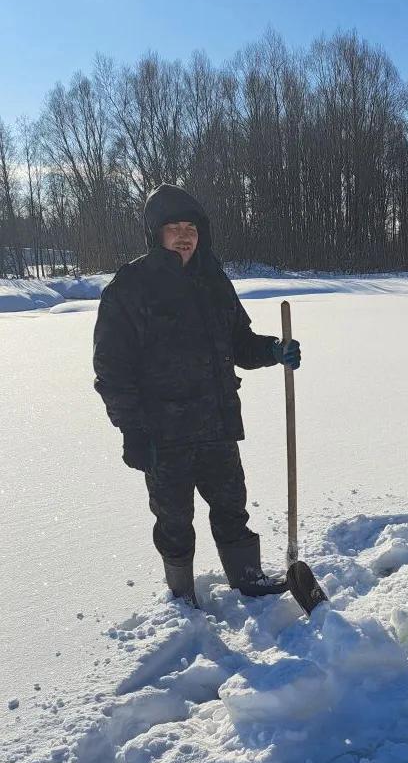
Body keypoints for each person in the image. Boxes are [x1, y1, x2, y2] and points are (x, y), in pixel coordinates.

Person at [93, 182, 301, 606]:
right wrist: (132, 430)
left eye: (191, 226)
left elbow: (238, 342)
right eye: (174, 227)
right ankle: (182, 594)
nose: (185, 235)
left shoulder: (213, 280)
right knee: (173, 520)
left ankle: (247, 579)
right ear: (156, 234)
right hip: (162, 433)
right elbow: (112, 371)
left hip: (217, 424)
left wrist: (272, 351)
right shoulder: (130, 287)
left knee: (232, 508)